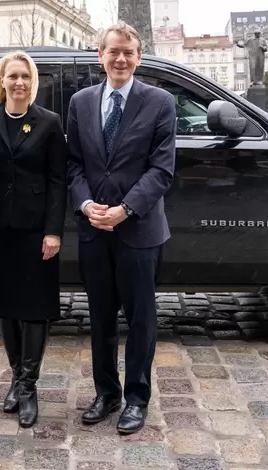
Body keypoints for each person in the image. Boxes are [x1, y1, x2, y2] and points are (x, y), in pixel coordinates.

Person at [66, 22, 176, 434]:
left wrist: (126, 209)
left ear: (138, 57)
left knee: (142, 319)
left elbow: (162, 170)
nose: (121, 59)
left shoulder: (160, 102)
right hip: (94, 230)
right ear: (101, 56)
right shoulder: (81, 101)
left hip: (139, 232)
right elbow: (74, 163)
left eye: (128, 52)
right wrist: (85, 203)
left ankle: (136, 398)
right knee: (100, 319)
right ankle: (106, 392)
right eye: (113, 51)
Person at [0, 50, 67, 428]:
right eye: (12, 76)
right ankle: (15, 375)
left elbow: (57, 181)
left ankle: (28, 386)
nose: (19, 83)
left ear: (34, 83)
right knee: (4, 305)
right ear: (2, 81)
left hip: (35, 232)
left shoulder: (48, 123)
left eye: (25, 77)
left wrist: (53, 231)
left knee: (34, 308)